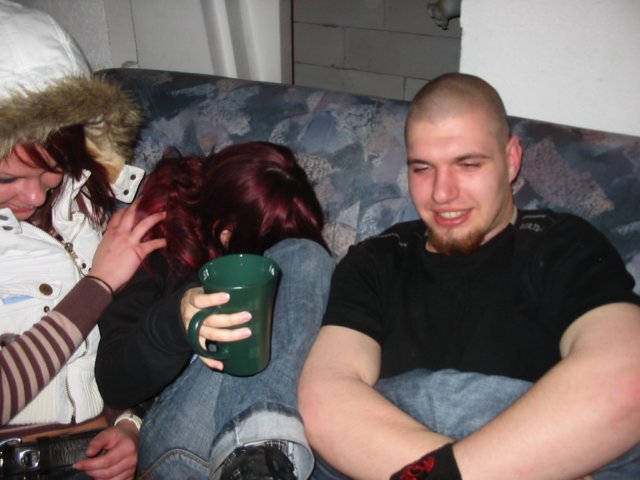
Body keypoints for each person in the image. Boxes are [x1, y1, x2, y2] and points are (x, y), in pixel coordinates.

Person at [298, 73, 640, 480]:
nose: (442, 193)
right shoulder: (377, 258)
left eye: (468, 164)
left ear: (511, 160)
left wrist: (444, 472)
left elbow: (625, 377)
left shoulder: (561, 244)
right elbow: (325, 399)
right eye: (423, 168)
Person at [95, 141, 336, 479]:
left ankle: (262, 455)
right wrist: (178, 320)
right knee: (302, 256)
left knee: (307, 256)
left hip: (289, 451)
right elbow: (113, 381)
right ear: (226, 234)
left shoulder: (298, 260)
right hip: (182, 446)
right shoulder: (158, 245)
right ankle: (258, 450)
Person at [0, 1, 166, 478]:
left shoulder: (82, 208)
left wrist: (130, 423)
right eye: (7, 179)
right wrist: (99, 284)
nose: (34, 195)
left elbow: (120, 339)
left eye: (51, 168)